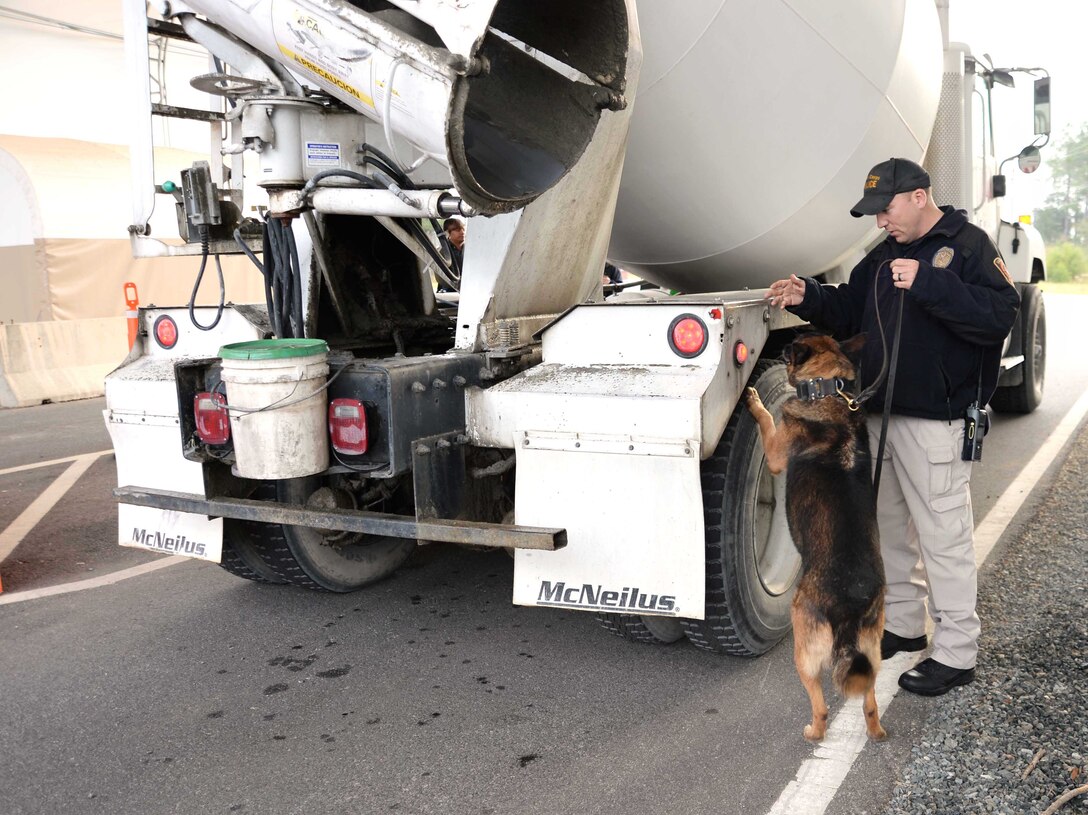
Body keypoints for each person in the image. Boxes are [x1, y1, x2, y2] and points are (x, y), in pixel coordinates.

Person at [765, 157, 1020, 696]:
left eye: (886, 209)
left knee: (943, 537)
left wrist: (931, 283)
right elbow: (850, 309)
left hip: (937, 421)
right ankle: (905, 625)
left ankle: (956, 653)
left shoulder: (968, 245)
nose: (880, 221)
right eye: (874, 213)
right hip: (879, 414)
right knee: (889, 531)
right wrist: (807, 294)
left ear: (919, 196)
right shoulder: (881, 258)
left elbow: (1001, 315)